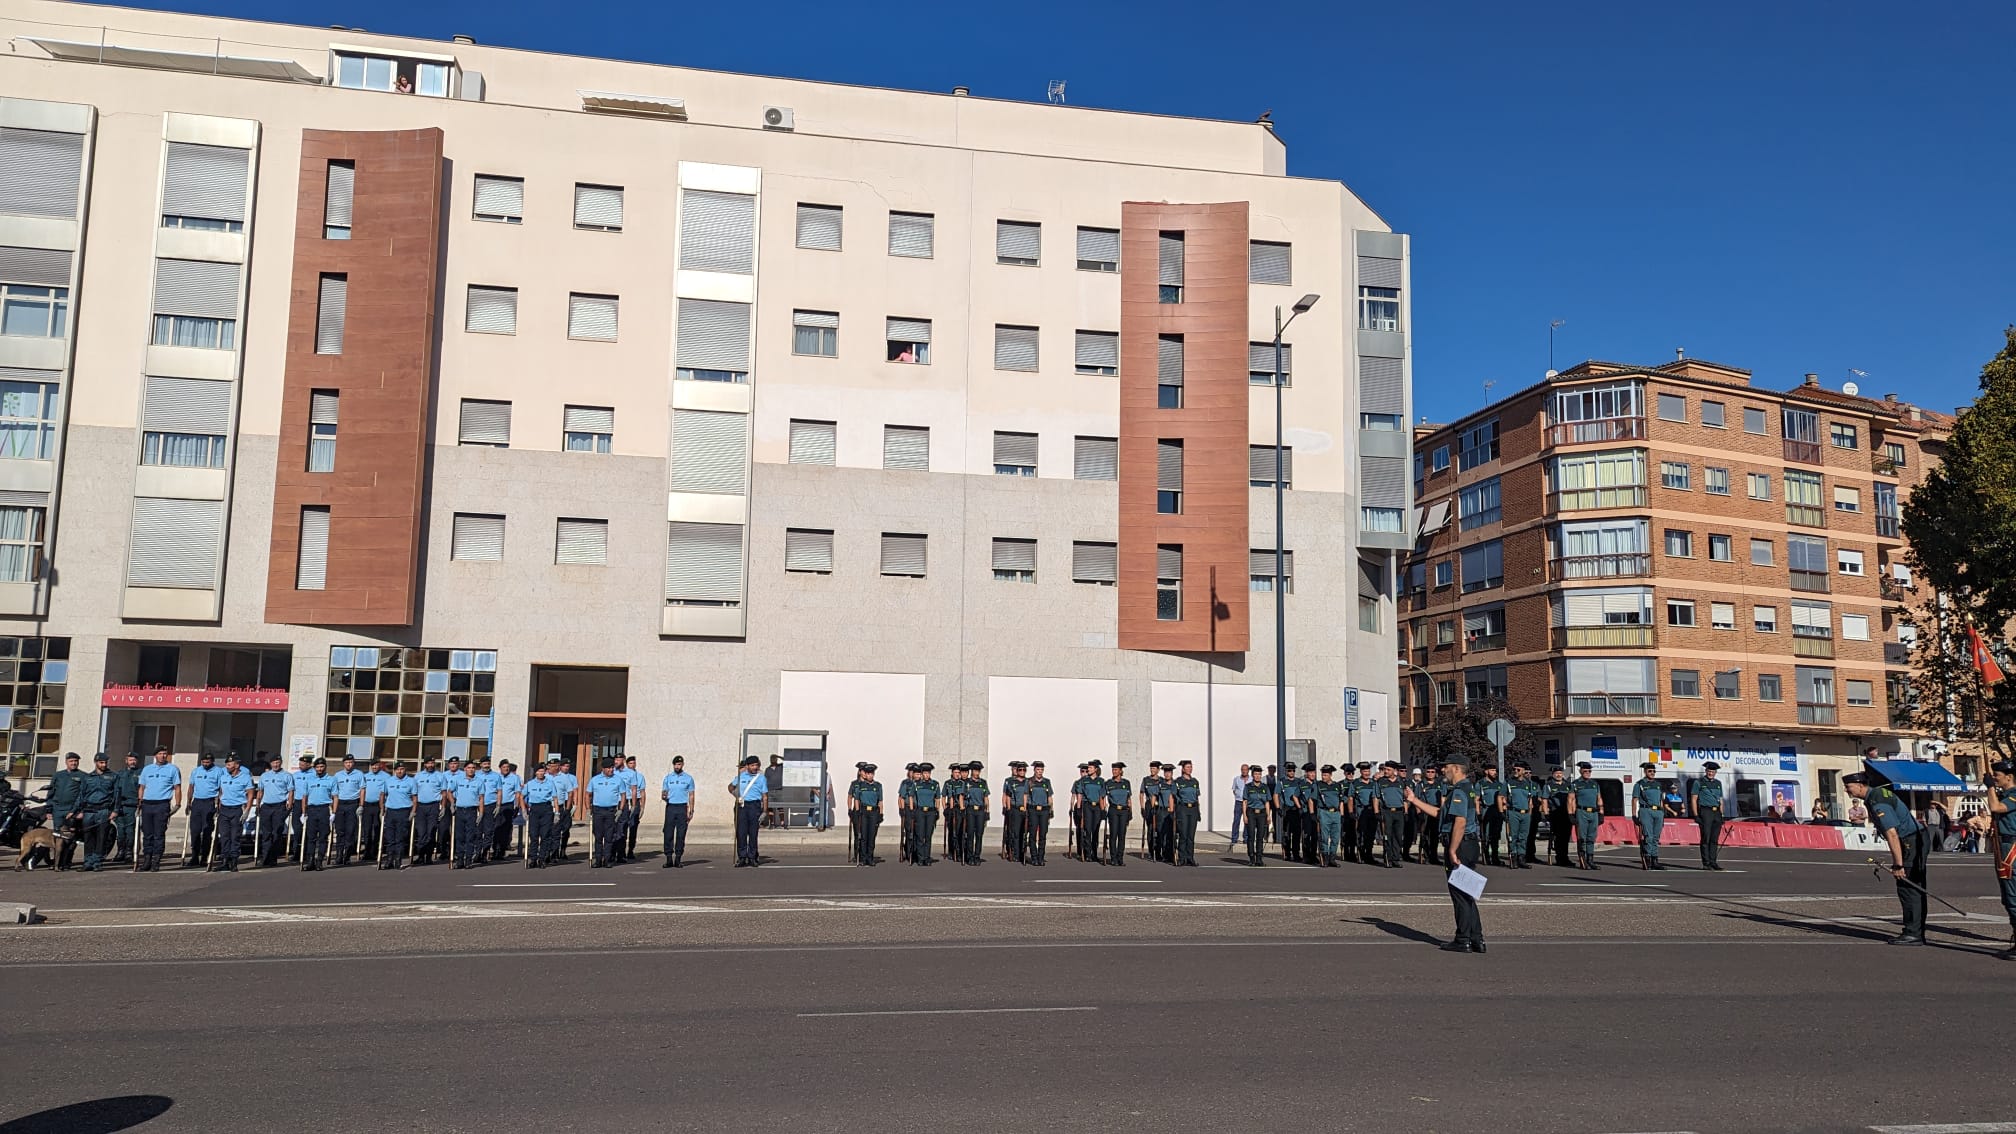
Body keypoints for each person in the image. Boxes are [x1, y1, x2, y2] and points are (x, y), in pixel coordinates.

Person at [1409, 758, 1485, 953]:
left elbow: (1459, 822)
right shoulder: (1466, 788)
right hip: (1468, 844)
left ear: (1457, 768)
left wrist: (1452, 850)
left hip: (1461, 845)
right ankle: (1476, 939)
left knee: (1459, 895)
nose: (1443, 770)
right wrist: (1414, 800)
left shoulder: (1459, 791)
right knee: (1467, 894)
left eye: (1447, 767)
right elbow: (1439, 813)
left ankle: (1463, 939)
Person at [1846, 768, 1928, 945]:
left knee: (1908, 886)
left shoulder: (1877, 800)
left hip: (1911, 840)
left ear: (1860, 786)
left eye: (1849, 786)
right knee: (1915, 886)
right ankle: (1916, 931)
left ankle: (1913, 933)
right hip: (1913, 838)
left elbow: (1892, 833)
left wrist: (1898, 865)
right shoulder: (1876, 794)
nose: (1847, 790)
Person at [1983, 758, 2015, 959]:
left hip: (2012, 847)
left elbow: (1995, 808)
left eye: (1997, 776)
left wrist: (1989, 788)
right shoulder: (2006, 794)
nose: (1995, 779)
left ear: (2009, 777)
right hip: (2002, 844)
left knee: (2013, 894)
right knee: (2007, 894)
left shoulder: (2014, 795)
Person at [136, 746, 183, 872]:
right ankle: (147, 859)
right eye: (160, 753)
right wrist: (139, 802)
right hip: (147, 804)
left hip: (162, 804)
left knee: (159, 834)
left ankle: (156, 860)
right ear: (155, 756)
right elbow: (142, 787)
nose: (163, 756)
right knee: (147, 834)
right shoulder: (147, 769)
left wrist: (177, 804)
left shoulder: (172, 769)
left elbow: (177, 787)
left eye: (164, 753)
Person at [210, 753, 253, 872]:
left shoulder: (245, 778)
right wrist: (217, 806)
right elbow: (220, 793)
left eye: (230, 764)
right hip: (224, 810)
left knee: (235, 836)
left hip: (237, 809)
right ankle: (224, 861)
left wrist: (247, 811)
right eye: (227, 764)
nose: (227, 766)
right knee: (224, 837)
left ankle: (234, 861)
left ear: (237, 765)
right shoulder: (223, 777)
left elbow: (250, 794)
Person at [74, 754, 115, 871]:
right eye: (101, 762)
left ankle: (97, 862)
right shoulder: (87, 777)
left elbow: (116, 794)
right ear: (96, 762)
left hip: (103, 810)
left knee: (101, 837)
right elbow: (81, 795)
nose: (104, 765)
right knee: (88, 837)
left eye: (106, 762)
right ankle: (88, 862)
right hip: (88, 811)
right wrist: (76, 811)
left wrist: (115, 811)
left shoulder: (113, 776)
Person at [47, 752, 84, 871]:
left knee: (71, 839)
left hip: (72, 811)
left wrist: (75, 811)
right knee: (58, 837)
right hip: (58, 810)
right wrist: (49, 810)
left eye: (75, 761)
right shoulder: (58, 775)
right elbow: (51, 793)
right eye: (71, 761)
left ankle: (67, 861)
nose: (73, 763)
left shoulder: (83, 776)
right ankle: (57, 862)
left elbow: (82, 796)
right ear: (66, 762)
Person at [297, 757, 336, 871]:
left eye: (322, 766)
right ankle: (310, 862)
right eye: (317, 767)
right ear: (314, 768)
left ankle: (319, 861)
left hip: (324, 809)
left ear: (325, 767)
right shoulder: (309, 780)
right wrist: (303, 812)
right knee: (311, 838)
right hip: (312, 810)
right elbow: (305, 797)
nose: (320, 769)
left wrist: (333, 812)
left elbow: (335, 797)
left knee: (323, 837)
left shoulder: (331, 780)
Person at [185, 752, 222, 870]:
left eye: (208, 762)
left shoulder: (218, 771)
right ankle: (194, 856)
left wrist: (219, 803)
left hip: (210, 802)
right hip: (197, 802)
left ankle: (205, 857)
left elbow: (221, 788)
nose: (205, 764)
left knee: (207, 831)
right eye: (203, 762)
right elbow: (191, 787)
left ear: (212, 761)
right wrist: (188, 802)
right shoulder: (196, 771)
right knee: (195, 831)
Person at [586, 758, 624, 868]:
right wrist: (588, 809)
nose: (611, 770)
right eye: (609, 768)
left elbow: (623, 795)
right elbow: (587, 794)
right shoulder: (595, 780)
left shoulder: (618, 780)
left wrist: (620, 809)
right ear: (603, 769)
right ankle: (598, 860)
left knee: (609, 837)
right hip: (598, 810)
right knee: (598, 837)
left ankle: (607, 860)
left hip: (610, 811)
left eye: (612, 767)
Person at [255, 755, 292, 868]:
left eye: (278, 762)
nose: (276, 765)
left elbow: (291, 791)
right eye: (274, 763)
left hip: (279, 807)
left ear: (281, 763)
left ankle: (273, 858)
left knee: (276, 834)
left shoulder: (287, 776)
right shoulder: (264, 776)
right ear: (270, 764)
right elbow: (260, 791)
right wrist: (258, 804)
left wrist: (289, 803)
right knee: (266, 834)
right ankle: (265, 858)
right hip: (266, 806)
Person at [732, 754, 768, 867]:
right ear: (747, 766)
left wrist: (765, 811)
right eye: (752, 765)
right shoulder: (740, 776)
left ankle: (752, 857)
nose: (755, 767)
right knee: (741, 832)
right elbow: (730, 787)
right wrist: (736, 795)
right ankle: (742, 857)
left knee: (753, 833)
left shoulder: (761, 778)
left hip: (754, 805)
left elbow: (765, 796)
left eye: (756, 765)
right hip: (742, 806)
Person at [379, 763, 417, 869]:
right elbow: (382, 795)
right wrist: (382, 808)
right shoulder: (389, 781)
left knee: (400, 838)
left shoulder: (411, 781)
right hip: (391, 811)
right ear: (394, 770)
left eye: (402, 769)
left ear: (405, 769)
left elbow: (414, 797)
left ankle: (397, 860)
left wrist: (413, 811)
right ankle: (389, 860)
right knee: (390, 838)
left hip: (403, 811)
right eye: (398, 769)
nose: (400, 771)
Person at [660, 755, 695, 868]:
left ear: (682, 765)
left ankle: (678, 858)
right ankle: (669, 858)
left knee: (681, 834)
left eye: (679, 764)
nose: (677, 766)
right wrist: (664, 796)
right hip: (671, 807)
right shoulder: (668, 778)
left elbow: (691, 795)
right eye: (675, 764)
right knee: (668, 833)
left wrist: (691, 809)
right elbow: (664, 792)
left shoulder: (688, 778)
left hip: (682, 807)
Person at [412, 757, 448, 866]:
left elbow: (444, 793)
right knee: (421, 832)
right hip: (421, 806)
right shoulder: (418, 776)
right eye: (428, 763)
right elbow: (414, 793)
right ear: (424, 764)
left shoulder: (440, 776)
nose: (431, 765)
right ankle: (421, 856)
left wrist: (443, 807)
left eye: (432, 763)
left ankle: (428, 856)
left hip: (433, 806)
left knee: (431, 832)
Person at [1691, 762, 1727, 871]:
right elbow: (1693, 799)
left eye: (1713, 772)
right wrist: (1696, 815)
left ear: (1715, 772)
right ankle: (1706, 863)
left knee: (1714, 839)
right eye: (1709, 771)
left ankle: (1713, 862)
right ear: (1706, 771)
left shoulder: (1718, 783)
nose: (1711, 773)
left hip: (1716, 812)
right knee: (1706, 837)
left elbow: (1720, 800)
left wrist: (1722, 814)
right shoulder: (1699, 782)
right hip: (1705, 811)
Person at [331, 755, 365, 867]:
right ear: (343, 763)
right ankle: (339, 855)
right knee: (340, 831)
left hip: (352, 804)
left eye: (351, 762)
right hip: (340, 804)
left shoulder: (359, 774)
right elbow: (334, 792)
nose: (349, 764)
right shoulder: (337, 775)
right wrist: (333, 808)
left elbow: (362, 790)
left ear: (353, 763)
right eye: (347, 762)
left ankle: (347, 856)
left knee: (350, 832)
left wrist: (361, 805)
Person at [1503, 763, 1538, 870]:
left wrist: (1529, 813)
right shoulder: (1509, 782)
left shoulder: (1528, 783)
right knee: (1513, 836)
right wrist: (1503, 812)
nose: (1516, 771)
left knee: (1523, 836)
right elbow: (1502, 798)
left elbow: (1530, 800)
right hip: (1514, 811)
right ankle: (1513, 857)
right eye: (1514, 769)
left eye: (1518, 769)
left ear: (1523, 771)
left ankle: (1521, 858)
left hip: (1526, 813)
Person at [1567, 762, 1603, 870]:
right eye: (1585, 771)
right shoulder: (1575, 784)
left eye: (1589, 771)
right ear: (1580, 771)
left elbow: (1599, 798)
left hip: (1594, 812)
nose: (1587, 773)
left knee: (1591, 837)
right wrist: (1571, 814)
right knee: (1582, 837)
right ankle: (1582, 860)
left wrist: (1601, 813)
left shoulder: (1594, 784)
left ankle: (1590, 860)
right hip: (1582, 812)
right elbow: (1570, 800)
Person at [521, 763, 557, 869]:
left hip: (546, 809)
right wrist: (524, 810)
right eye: (538, 771)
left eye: (542, 771)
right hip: (534, 809)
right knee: (533, 835)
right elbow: (521, 797)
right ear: (535, 773)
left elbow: (555, 798)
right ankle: (533, 859)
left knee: (545, 835)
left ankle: (542, 859)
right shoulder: (530, 784)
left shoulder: (550, 783)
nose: (540, 773)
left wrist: (557, 813)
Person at [848, 762, 883, 866]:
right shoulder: (859, 785)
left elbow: (880, 801)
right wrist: (856, 811)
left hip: (873, 812)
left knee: (871, 836)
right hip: (863, 812)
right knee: (862, 836)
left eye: (871, 774)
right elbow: (856, 799)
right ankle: (862, 857)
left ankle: (870, 858)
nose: (869, 775)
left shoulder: (878, 786)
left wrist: (880, 814)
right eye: (868, 773)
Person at [1633, 763, 1666, 871]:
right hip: (1646, 810)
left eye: (1653, 771)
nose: (1652, 773)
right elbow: (1635, 800)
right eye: (1650, 771)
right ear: (1645, 771)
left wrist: (1662, 813)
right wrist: (1634, 815)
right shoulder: (1640, 784)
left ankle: (1654, 860)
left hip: (1658, 811)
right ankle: (1647, 859)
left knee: (1656, 837)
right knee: (1649, 836)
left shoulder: (1658, 784)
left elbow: (1661, 799)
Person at [110, 753, 142, 865]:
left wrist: (140, 804)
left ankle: (129, 852)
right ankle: (120, 851)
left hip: (132, 806)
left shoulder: (140, 773)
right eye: (130, 760)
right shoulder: (120, 774)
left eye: (134, 760)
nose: (132, 762)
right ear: (126, 761)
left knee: (130, 831)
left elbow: (143, 789)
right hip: (120, 806)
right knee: (121, 831)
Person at [1474, 765, 1507, 867]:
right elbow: (1476, 799)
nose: (1494, 772)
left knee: (1495, 835)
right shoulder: (1481, 784)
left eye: (1495, 770)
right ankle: (1486, 857)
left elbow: (1503, 798)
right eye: (1492, 770)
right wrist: (1478, 813)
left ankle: (1495, 857)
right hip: (1486, 809)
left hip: (1497, 811)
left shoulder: (1499, 784)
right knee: (1486, 835)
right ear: (1486, 771)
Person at [1311, 766, 1344, 867]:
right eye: (1322, 775)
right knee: (1324, 837)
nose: (1323, 777)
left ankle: (1332, 858)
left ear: (1330, 775)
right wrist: (1312, 813)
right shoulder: (1318, 785)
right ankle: (1324, 858)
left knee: (1335, 838)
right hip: (1324, 812)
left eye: (1325, 775)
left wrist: (1342, 814)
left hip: (1336, 813)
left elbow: (1341, 801)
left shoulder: (1337, 785)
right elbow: (1311, 799)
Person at [1170, 759, 1201, 867]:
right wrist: (1172, 811)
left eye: (1191, 767)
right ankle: (1182, 858)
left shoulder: (1195, 782)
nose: (1190, 769)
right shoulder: (1178, 782)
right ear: (1183, 769)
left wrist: (1198, 811)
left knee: (1191, 836)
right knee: (1183, 834)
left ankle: (1190, 858)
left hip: (1193, 809)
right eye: (1187, 767)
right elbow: (1173, 796)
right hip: (1182, 808)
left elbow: (1197, 797)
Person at [1377, 763, 1408, 868]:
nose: (1386, 771)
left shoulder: (1401, 782)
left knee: (1398, 836)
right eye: (1385, 769)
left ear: (1394, 771)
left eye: (1388, 770)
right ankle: (1388, 858)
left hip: (1399, 812)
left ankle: (1396, 858)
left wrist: (1406, 812)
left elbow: (1405, 798)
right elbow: (1376, 798)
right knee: (1387, 836)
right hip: (1387, 811)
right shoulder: (1380, 782)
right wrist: (1377, 812)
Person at [491, 760, 522, 862]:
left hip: (508, 806)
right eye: (504, 767)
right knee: (495, 828)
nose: (506, 769)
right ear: (500, 768)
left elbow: (517, 793)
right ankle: (494, 849)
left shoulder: (515, 778)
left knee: (505, 829)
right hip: (496, 805)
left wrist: (516, 806)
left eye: (507, 767)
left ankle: (501, 851)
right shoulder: (496, 777)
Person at [359, 759, 390, 864]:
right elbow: (362, 790)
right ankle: (366, 851)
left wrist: (384, 807)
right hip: (367, 806)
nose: (374, 767)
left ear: (380, 765)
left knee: (377, 829)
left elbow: (388, 792)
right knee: (366, 830)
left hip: (378, 805)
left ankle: (375, 851)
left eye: (376, 765)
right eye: (373, 765)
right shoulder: (366, 776)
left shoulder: (386, 777)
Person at [1103, 762, 1133, 866]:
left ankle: (1120, 858)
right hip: (1113, 810)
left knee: (1122, 835)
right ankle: (1113, 858)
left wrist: (1130, 811)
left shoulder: (1126, 783)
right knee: (1113, 834)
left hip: (1124, 810)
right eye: (1113, 770)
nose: (1114, 771)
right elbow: (1103, 797)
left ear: (1121, 771)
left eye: (1116, 770)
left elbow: (1129, 798)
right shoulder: (1108, 783)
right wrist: (1103, 810)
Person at [1241, 770, 1272, 866]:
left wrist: (1268, 816)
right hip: (1251, 813)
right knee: (1251, 836)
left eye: (1259, 774)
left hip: (1262, 813)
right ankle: (1251, 858)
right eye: (1255, 774)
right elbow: (1245, 802)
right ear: (1252, 775)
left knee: (1260, 836)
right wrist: (1245, 816)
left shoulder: (1265, 787)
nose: (1257, 776)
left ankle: (1259, 858)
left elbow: (1267, 802)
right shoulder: (1248, 787)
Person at [286, 753, 313, 862]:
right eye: (300, 763)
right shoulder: (295, 775)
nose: (301, 765)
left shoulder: (314, 774)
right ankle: (296, 852)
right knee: (297, 829)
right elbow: (291, 790)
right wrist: (289, 801)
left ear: (309, 764)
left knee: (309, 830)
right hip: (297, 803)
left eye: (303, 764)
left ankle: (307, 853)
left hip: (309, 803)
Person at [1027, 761, 1054, 866]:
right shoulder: (1029, 782)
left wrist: (1051, 810)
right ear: (1034, 770)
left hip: (1044, 810)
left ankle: (1041, 857)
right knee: (1032, 834)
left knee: (1043, 835)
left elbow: (1050, 797)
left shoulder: (1047, 782)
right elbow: (1026, 796)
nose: (1040, 772)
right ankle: (1034, 857)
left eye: (1041, 770)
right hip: (1033, 809)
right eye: (1038, 769)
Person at [1002, 761, 1030, 863]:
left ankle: (1022, 853)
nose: (1021, 771)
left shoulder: (1028, 782)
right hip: (1015, 808)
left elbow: (1027, 795)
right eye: (1019, 769)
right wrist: (1006, 807)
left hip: (1025, 809)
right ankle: (1015, 853)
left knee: (1024, 832)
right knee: (1015, 832)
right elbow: (1006, 795)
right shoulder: (1010, 781)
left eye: (1024, 769)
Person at [619, 755, 645, 862]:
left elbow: (642, 792)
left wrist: (642, 806)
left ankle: (630, 850)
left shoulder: (639, 776)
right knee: (622, 827)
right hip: (624, 802)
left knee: (633, 827)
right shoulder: (621, 775)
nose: (632, 765)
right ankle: (621, 851)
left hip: (635, 802)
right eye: (630, 763)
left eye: (634, 763)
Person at [1352, 764, 1380, 864]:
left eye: (1368, 771)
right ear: (1361, 772)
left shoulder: (1374, 783)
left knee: (1371, 834)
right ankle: (1360, 853)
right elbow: (1351, 798)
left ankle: (1369, 854)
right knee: (1361, 833)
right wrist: (1351, 812)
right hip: (1361, 811)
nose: (1367, 773)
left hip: (1372, 811)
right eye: (1364, 771)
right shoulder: (1355, 783)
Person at [1546, 767, 1573, 866]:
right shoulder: (1549, 785)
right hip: (1555, 814)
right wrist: (1546, 813)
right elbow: (1544, 799)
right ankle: (1560, 858)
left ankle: (1565, 857)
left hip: (1567, 814)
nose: (1558, 775)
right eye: (1556, 773)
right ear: (1553, 774)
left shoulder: (1568, 785)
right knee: (1558, 836)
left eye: (1560, 773)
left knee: (1566, 837)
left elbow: (1573, 799)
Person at [1228, 764, 1250, 850]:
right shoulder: (1236, 779)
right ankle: (1234, 838)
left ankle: (1246, 838)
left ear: (1248, 770)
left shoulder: (1251, 779)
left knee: (1247, 821)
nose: (1244, 771)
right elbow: (1234, 790)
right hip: (1239, 802)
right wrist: (1238, 796)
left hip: (1248, 803)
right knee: (1236, 820)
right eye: (1242, 770)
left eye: (1245, 770)